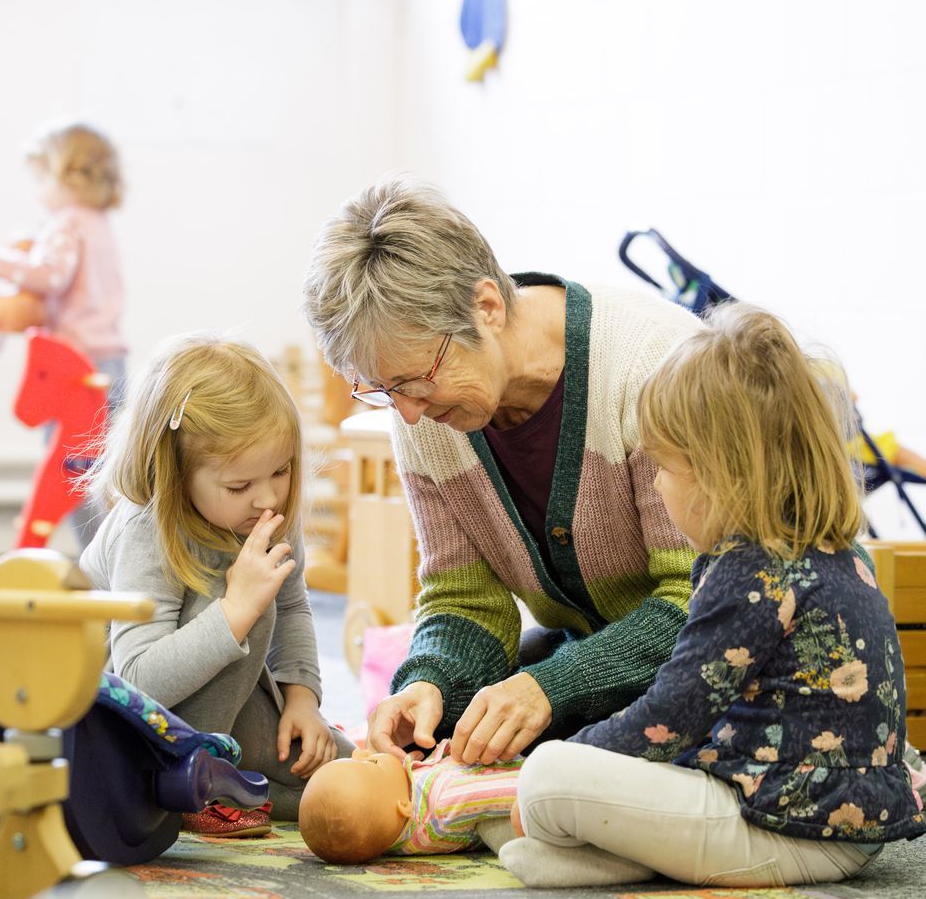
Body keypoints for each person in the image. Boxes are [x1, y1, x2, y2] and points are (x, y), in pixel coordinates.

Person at [496, 303, 926, 888]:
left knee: (546, 776)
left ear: (719, 475)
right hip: (843, 828)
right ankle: (612, 856)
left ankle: (602, 846)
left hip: (780, 828)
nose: (655, 483)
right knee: (557, 796)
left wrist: (564, 762)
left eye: (665, 468)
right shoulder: (842, 554)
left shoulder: (750, 572)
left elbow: (666, 720)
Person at [301, 177, 703, 766]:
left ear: (486, 306)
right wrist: (428, 683)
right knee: (449, 731)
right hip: (596, 653)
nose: (409, 416)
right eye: (384, 392)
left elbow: (703, 596)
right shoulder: (427, 416)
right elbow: (464, 597)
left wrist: (552, 687)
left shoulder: (652, 368)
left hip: (722, 661)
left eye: (415, 381)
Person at [79, 333, 350, 836]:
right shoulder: (148, 530)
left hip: (216, 694)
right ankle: (191, 782)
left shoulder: (267, 517)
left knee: (342, 774)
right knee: (253, 598)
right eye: (239, 486)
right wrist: (236, 611)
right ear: (175, 473)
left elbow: (293, 610)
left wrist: (302, 700)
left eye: (281, 471)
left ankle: (218, 780)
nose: (267, 498)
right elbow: (136, 680)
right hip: (120, 725)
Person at [0, 121, 129, 544]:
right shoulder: (98, 223)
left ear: (66, 176)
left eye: (41, 180)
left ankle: (96, 559)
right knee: (104, 468)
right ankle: (113, 556)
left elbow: (50, 275)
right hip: (110, 361)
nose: (39, 192)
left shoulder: (67, 222)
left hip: (75, 369)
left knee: (69, 470)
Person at [296, 747, 522, 865]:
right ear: (403, 806)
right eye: (371, 762)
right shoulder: (444, 798)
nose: (361, 751)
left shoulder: (390, 831)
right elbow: (505, 790)